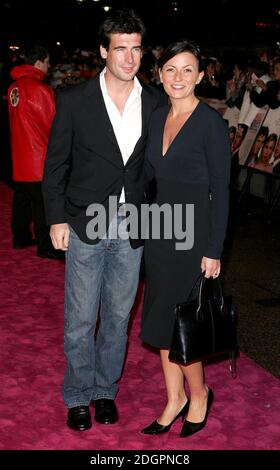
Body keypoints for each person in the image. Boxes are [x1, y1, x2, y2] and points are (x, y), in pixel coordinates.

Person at [42, 8, 166, 431]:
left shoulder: (154, 101)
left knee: (116, 317)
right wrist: (56, 218)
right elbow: (55, 164)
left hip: (134, 223)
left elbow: (157, 166)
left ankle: (104, 391)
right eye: (120, 49)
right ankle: (77, 394)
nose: (129, 58)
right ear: (103, 51)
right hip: (85, 221)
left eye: (136, 49)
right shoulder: (75, 100)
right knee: (80, 316)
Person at [140, 40, 231, 437]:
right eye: (171, 69)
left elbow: (222, 190)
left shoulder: (211, 123)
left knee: (182, 321)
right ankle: (174, 397)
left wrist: (214, 249)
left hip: (193, 235)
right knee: (161, 317)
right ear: (159, 74)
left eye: (187, 69)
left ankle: (199, 393)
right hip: (161, 231)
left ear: (200, 75)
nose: (179, 77)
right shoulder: (156, 116)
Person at [8, 44, 64, 259]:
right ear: (39, 62)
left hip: (20, 154)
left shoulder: (14, 88)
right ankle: (45, 245)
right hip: (38, 157)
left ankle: (20, 237)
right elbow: (52, 125)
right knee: (42, 202)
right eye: (48, 62)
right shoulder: (40, 89)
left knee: (22, 198)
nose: (49, 67)